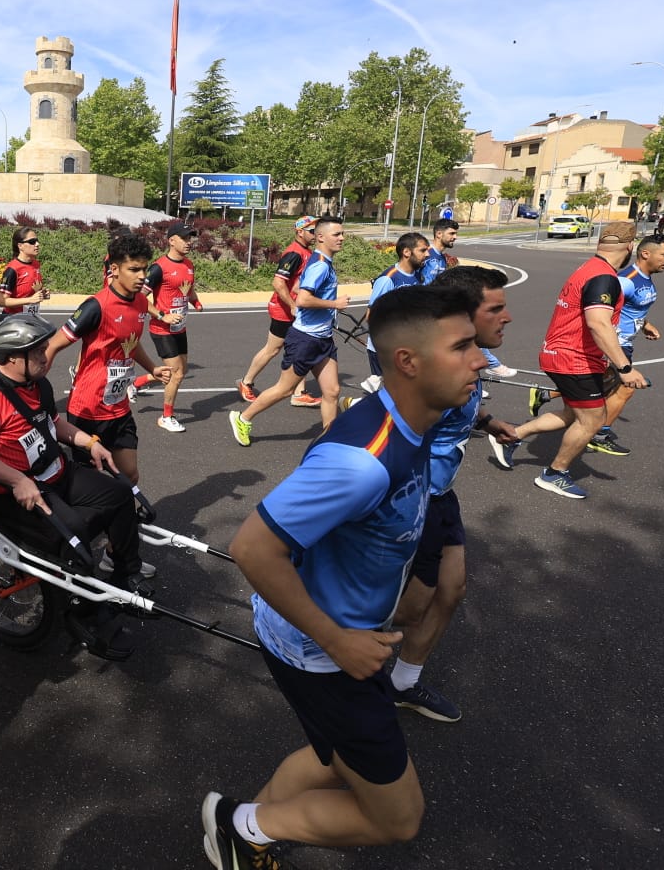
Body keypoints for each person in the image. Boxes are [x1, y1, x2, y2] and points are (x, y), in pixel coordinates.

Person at [204, 286, 488, 867]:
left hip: (342, 638)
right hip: (324, 653)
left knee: (331, 757)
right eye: (463, 346)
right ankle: (238, 825)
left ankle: (246, 838)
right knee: (399, 818)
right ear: (407, 362)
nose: (480, 358)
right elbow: (253, 549)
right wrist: (338, 640)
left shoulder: (418, 419)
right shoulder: (360, 463)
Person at [0, 314, 153, 625]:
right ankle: (80, 607)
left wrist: (90, 443)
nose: (44, 356)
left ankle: (126, 573)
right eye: (35, 351)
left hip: (57, 471)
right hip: (22, 486)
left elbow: (54, 423)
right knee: (74, 532)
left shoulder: (39, 384)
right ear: (10, 357)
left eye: (43, 348)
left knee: (119, 493)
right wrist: (18, 480)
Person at [388, 265, 520, 724]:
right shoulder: (432, 371)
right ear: (464, 316)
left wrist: (485, 423)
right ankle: (336, 667)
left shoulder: (468, 360)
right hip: (412, 500)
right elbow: (388, 435)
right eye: (496, 309)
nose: (507, 317)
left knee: (451, 589)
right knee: (405, 611)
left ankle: (402, 684)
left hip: (440, 495)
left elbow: (455, 410)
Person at [489, 221, 649, 499]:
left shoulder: (590, 268)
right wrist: (625, 367)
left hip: (564, 354)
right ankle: (554, 473)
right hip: (572, 358)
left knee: (573, 413)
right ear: (630, 247)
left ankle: (512, 436)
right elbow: (598, 324)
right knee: (593, 419)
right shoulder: (604, 278)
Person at [45, 233, 173, 489]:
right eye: (133, 269)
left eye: (144, 269)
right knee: (85, 481)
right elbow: (54, 345)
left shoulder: (139, 302)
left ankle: (124, 522)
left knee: (130, 475)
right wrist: (33, 388)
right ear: (114, 269)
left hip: (119, 407)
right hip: (88, 409)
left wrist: (153, 368)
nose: (141, 276)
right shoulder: (96, 306)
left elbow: (130, 344)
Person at [531, 234, 664, 455]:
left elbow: (629, 308)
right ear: (645, 253)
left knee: (598, 392)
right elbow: (601, 311)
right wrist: (618, 358)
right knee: (621, 389)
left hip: (623, 342)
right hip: (614, 344)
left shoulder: (644, 278)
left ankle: (544, 400)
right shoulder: (625, 280)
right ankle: (598, 434)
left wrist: (645, 324)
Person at [229, 217, 350, 447]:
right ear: (321, 237)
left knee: (332, 391)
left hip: (322, 338)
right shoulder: (320, 265)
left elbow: (297, 287)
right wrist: (335, 305)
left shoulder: (319, 260)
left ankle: (329, 441)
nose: (342, 238)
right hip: (305, 339)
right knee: (284, 390)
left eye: (342, 233)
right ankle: (243, 418)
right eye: (337, 234)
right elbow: (303, 298)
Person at [237, 216, 319, 408]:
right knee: (272, 349)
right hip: (283, 309)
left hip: (296, 310)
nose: (316, 234)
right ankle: (246, 382)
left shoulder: (306, 252)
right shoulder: (294, 254)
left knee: (300, 348)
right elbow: (278, 282)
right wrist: (291, 305)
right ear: (300, 232)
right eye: (312, 231)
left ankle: (298, 393)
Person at [421, 219, 517, 380]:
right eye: (451, 233)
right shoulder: (428, 257)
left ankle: (471, 378)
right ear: (439, 234)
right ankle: (491, 366)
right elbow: (428, 287)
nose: (455, 237)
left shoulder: (441, 257)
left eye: (456, 233)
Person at [145, 222, 203, 433]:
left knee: (180, 370)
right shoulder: (158, 268)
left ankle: (136, 383)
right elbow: (140, 298)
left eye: (191, 238)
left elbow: (189, 289)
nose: (189, 242)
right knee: (177, 374)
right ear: (171, 240)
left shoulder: (188, 264)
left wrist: (195, 302)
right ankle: (166, 416)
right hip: (161, 329)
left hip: (181, 328)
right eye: (185, 238)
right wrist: (163, 315)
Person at [361, 232, 429, 392]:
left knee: (400, 393)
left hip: (407, 345)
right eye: (422, 250)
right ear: (407, 252)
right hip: (386, 347)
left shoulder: (417, 276)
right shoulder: (388, 279)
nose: (427, 254)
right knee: (394, 394)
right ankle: (354, 405)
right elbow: (371, 316)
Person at [0, 226, 51, 314]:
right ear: (20, 246)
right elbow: (2, 301)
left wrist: (42, 294)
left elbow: (30, 291)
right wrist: (30, 300)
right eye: (32, 242)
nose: (37, 244)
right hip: (13, 319)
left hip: (31, 317)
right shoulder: (12, 269)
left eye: (37, 241)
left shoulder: (36, 264)